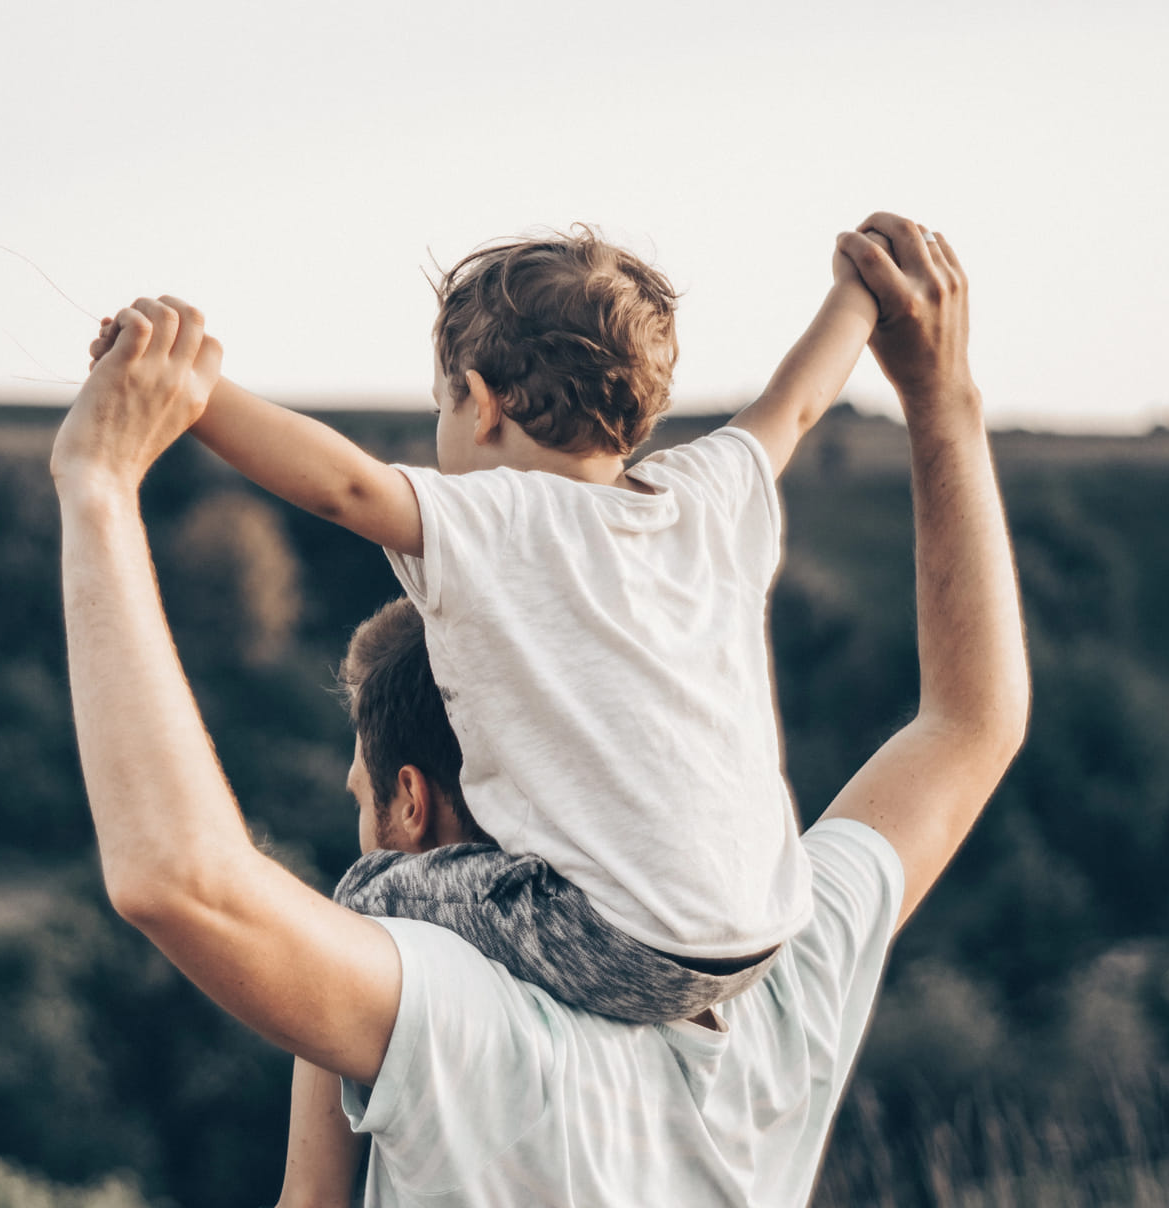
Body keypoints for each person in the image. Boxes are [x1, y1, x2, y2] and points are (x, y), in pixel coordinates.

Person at [52, 211, 1027, 1205]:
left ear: (409, 800)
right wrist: (936, 389)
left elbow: (183, 880)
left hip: (561, 952)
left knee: (364, 894)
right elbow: (968, 723)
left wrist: (106, 478)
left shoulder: (452, 1017)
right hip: (741, 953)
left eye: (364, 798)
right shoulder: (790, 958)